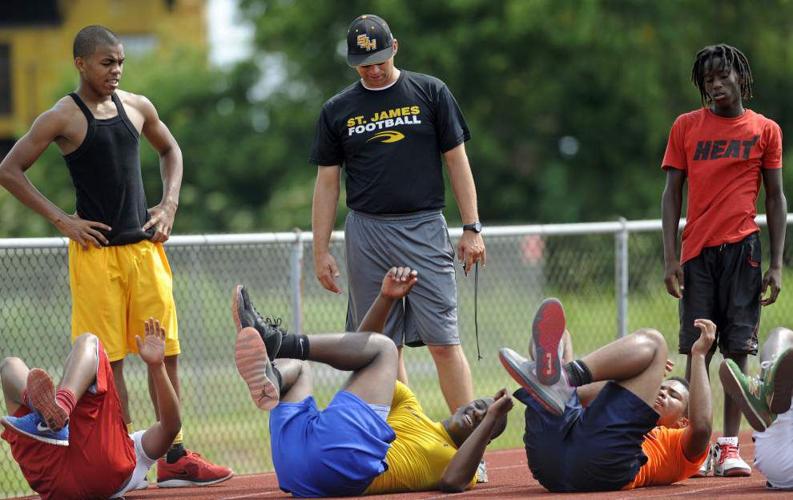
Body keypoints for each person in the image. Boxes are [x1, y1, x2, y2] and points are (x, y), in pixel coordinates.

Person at [0, 25, 231, 485]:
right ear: (81, 64)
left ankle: (175, 456)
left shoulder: (138, 106)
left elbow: (171, 150)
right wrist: (62, 220)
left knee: (165, 354)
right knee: (111, 364)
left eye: (121, 62)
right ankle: (121, 458)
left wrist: (169, 204)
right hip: (96, 257)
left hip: (145, 252)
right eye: (107, 63)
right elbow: (9, 169)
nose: (117, 71)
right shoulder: (62, 116)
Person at [309, 13, 485, 417]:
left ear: (396, 49)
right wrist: (321, 250)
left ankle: (470, 441)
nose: (372, 71)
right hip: (366, 232)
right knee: (381, 347)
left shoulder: (430, 92)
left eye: (380, 62)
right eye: (363, 65)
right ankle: (408, 441)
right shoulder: (338, 109)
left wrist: (472, 227)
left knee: (443, 340)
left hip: (423, 226)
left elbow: (457, 162)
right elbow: (327, 183)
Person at [232, 267, 512, 496]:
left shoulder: (459, 462)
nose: (477, 413)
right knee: (297, 370)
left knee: (387, 348)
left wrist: (493, 417)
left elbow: (452, 483)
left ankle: (278, 342)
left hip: (341, 468)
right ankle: (272, 376)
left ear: (483, 440)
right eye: (479, 406)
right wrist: (386, 299)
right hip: (295, 466)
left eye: (484, 420)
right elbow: (361, 352)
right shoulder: (408, 405)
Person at [660, 43, 786, 477]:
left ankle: (729, 448)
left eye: (722, 76)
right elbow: (671, 194)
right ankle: (695, 447)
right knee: (699, 351)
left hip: (744, 252)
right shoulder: (686, 126)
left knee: (738, 352)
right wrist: (670, 257)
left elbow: (775, 197)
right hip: (696, 254)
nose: (715, 85)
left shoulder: (766, 130)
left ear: (741, 79)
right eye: (707, 79)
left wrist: (776, 263)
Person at [499, 298, 713, 492]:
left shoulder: (674, 444)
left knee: (655, 342)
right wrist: (637, 375)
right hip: (547, 460)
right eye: (662, 387)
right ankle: (558, 376)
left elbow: (702, 427)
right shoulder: (616, 409)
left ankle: (566, 375)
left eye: (673, 395)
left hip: (605, 463)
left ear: (682, 422)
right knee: (561, 335)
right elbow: (576, 396)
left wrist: (699, 355)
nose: (662, 392)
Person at [0, 320, 180, 499]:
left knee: (9, 366)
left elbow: (170, 427)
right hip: (101, 474)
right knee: (85, 342)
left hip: (52, 479)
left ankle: (52, 412)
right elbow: (170, 427)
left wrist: (158, 366)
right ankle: (54, 412)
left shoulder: (130, 445)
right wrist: (157, 367)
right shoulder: (132, 450)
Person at [720, 327, 793, 490]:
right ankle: (766, 388)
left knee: (780, 335)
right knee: (782, 336)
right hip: (781, 462)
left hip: (774, 462)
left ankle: (764, 389)